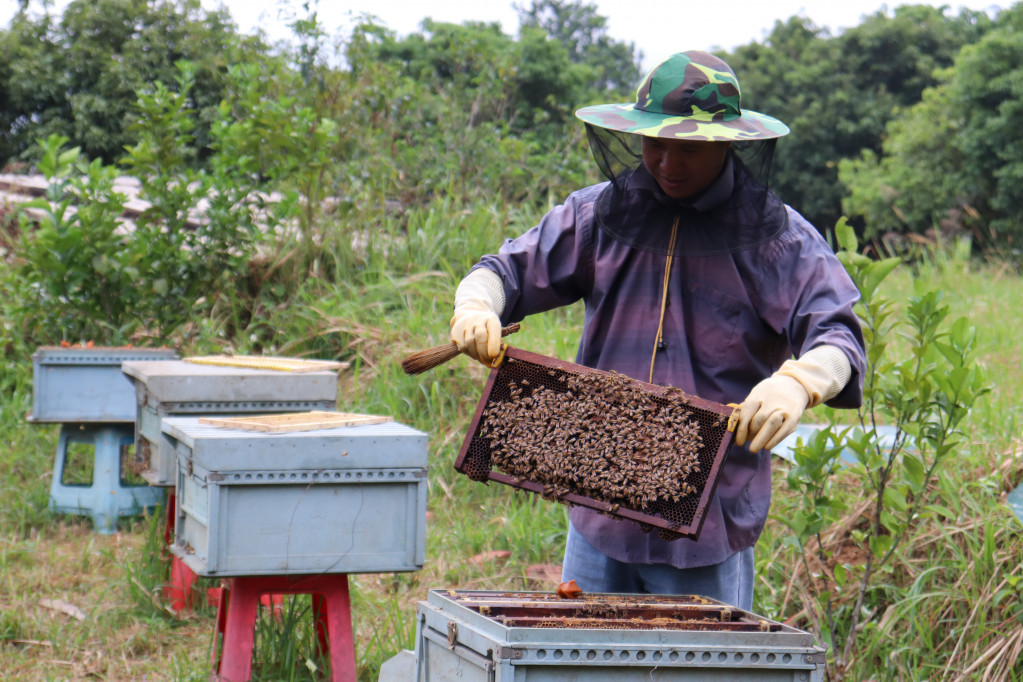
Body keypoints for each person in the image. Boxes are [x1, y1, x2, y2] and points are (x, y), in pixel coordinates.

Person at [448, 50, 866, 610]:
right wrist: (477, 305)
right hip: (599, 509)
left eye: (688, 148)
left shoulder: (777, 239)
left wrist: (800, 381)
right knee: (584, 665)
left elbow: (838, 332)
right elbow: (506, 271)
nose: (668, 163)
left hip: (707, 519)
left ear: (726, 143)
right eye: (656, 145)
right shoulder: (600, 215)